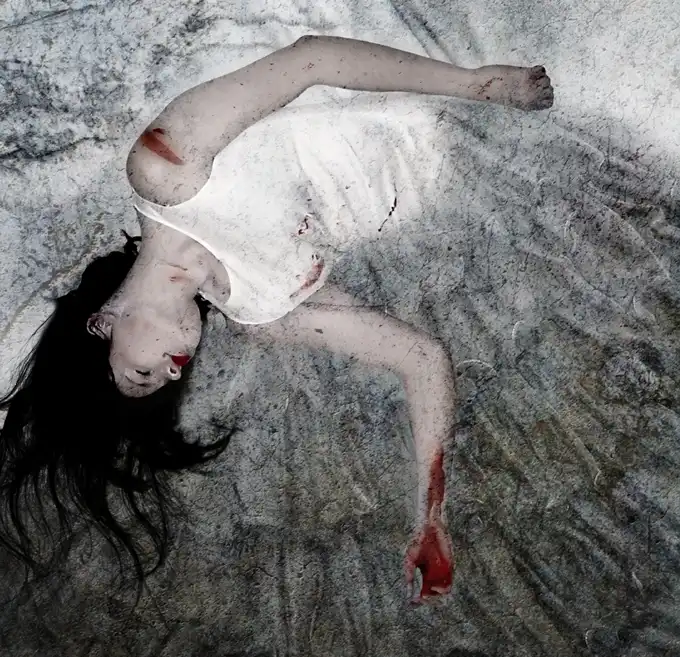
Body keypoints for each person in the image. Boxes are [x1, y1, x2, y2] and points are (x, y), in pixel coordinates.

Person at [0, 34, 553, 604]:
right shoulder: (258, 312)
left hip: (442, 89)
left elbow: (312, 60)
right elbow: (420, 358)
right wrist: (430, 516)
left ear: (101, 325)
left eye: (142, 375)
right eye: (169, 381)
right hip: (464, 164)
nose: (173, 371)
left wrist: (481, 85)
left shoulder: (164, 170)